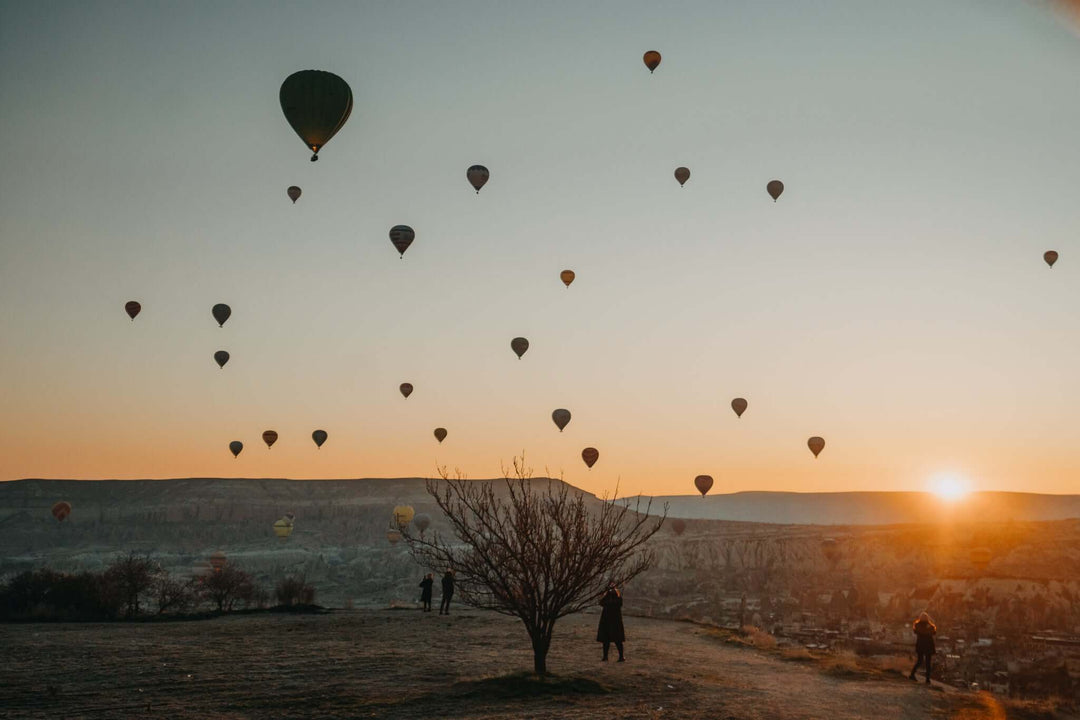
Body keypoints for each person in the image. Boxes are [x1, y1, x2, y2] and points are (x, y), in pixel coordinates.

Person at [596, 584, 625, 662]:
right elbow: (601, 602)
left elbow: (615, 603)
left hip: (613, 620)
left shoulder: (616, 598)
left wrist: (608, 595)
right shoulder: (613, 597)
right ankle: (607, 656)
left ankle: (620, 656)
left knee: (616, 640)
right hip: (611, 620)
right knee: (608, 640)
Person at [910, 612, 936, 684]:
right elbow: (933, 632)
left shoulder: (917, 625)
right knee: (928, 663)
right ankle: (927, 679)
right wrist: (928, 629)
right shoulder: (930, 626)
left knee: (920, 661)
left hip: (920, 645)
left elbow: (917, 631)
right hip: (928, 645)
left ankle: (912, 674)